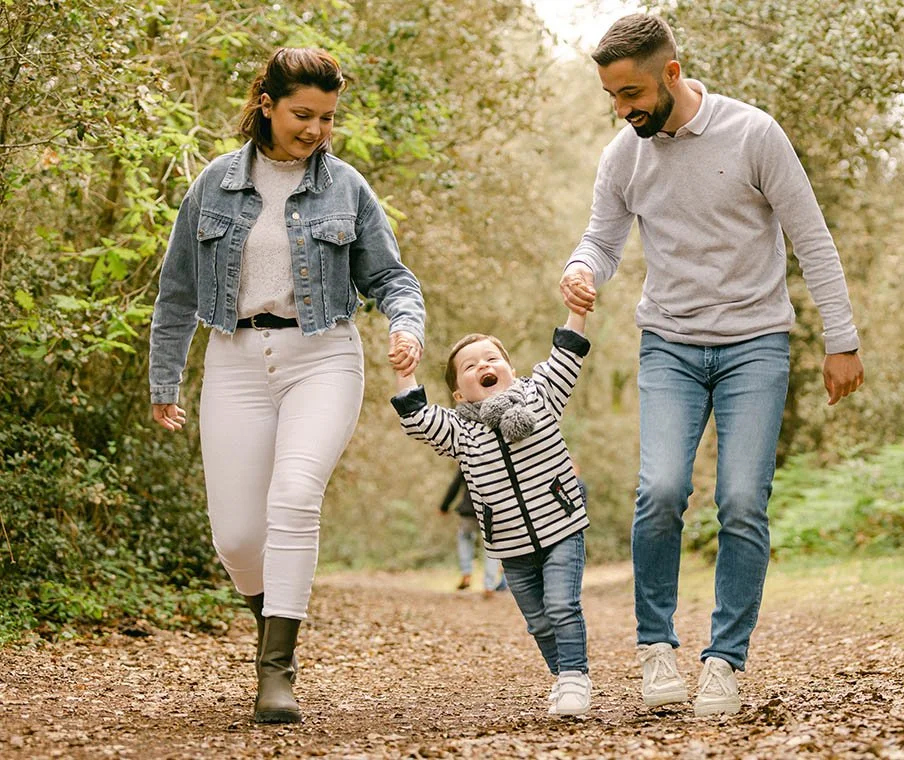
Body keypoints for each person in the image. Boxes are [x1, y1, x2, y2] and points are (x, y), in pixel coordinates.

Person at [560, 14, 865, 717]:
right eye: (611, 96)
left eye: (631, 92)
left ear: (671, 73)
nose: (623, 109)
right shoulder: (624, 154)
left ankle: (724, 661)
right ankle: (655, 649)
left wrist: (841, 340)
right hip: (667, 342)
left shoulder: (754, 134)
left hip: (755, 343)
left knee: (741, 502)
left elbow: (811, 239)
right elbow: (601, 240)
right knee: (661, 490)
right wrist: (583, 269)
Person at [148, 48, 425, 724]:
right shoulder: (212, 186)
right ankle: (273, 622)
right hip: (235, 360)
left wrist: (406, 324)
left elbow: (392, 278)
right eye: (304, 114)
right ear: (266, 105)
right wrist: (165, 381)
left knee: (295, 496)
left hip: (322, 355)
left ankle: (276, 671)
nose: (317, 130)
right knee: (238, 538)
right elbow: (177, 293)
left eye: (328, 118)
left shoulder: (346, 189)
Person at [390, 312, 592, 716]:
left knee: (561, 606)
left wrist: (577, 310)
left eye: (491, 359)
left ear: (512, 372)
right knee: (538, 621)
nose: (483, 366)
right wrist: (404, 372)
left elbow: (566, 355)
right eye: (470, 366)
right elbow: (417, 419)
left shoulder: (540, 397)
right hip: (510, 545)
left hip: (562, 528)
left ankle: (574, 677)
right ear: (459, 395)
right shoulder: (461, 432)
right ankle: (565, 676)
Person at [438, 468, 507, 596]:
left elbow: (456, 484)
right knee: (492, 547)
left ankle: (466, 573)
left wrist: (444, 506)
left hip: (468, 510)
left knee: (465, 538)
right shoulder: (497, 459)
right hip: (490, 511)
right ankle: (489, 585)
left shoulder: (468, 458)